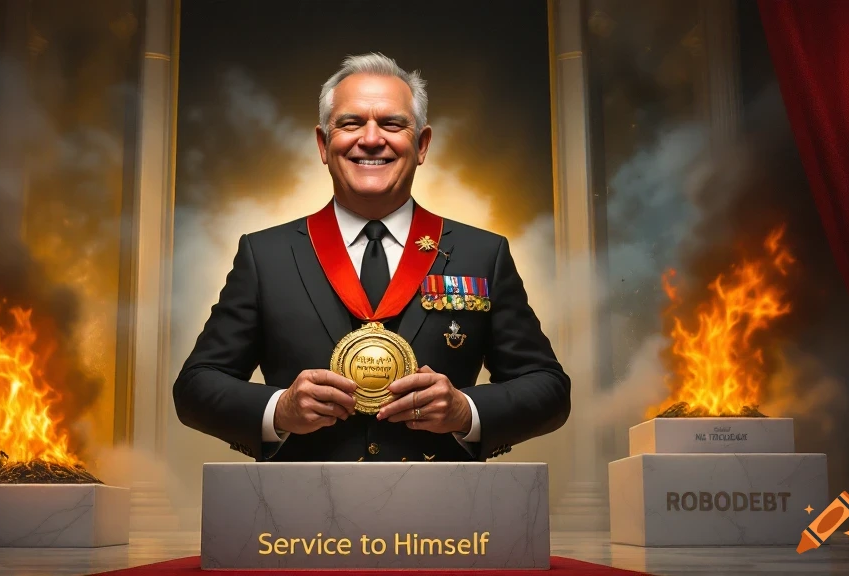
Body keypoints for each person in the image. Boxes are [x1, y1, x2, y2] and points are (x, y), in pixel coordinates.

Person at [173, 53, 570, 462]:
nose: (371, 139)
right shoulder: (265, 256)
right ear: (323, 144)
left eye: (392, 124)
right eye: (350, 123)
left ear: (422, 145)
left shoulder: (483, 254)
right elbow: (195, 387)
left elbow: (549, 388)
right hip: (300, 502)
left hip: (443, 501)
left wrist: (465, 411)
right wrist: (280, 409)